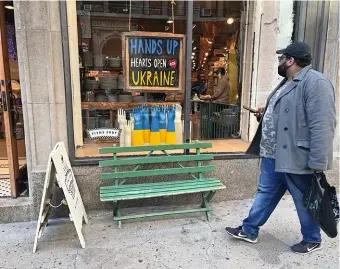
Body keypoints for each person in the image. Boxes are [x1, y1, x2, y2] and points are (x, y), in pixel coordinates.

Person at [225, 42, 336, 254]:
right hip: (273, 154)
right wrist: (266, 113)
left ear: (291, 60)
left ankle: (312, 239)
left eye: (281, 58)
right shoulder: (288, 82)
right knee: (265, 194)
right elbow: (287, 113)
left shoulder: (316, 83)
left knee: (304, 200)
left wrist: (317, 163)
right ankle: (249, 230)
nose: (279, 62)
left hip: (296, 157)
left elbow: (323, 125)